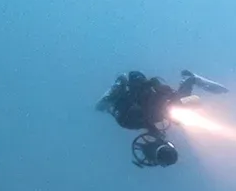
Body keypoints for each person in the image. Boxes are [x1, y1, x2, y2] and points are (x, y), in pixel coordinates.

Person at [97, 69, 228, 166]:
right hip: (148, 105)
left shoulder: (142, 117)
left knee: (128, 119)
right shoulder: (137, 115)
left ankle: (112, 100)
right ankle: (114, 95)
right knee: (126, 119)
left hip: (153, 108)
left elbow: (188, 81)